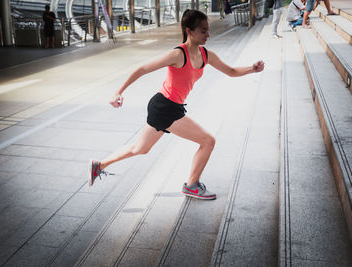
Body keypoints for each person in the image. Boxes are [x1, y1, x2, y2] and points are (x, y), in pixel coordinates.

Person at [89, 9, 265, 200]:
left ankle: (99, 165)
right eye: (203, 31)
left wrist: (252, 69)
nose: (208, 34)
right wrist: (118, 92)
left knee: (140, 149)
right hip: (165, 107)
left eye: (208, 30)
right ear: (189, 31)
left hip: (167, 107)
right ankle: (191, 185)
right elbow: (142, 69)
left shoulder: (206, 55)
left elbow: (230, 71)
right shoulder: (177, 54)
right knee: (208, 141)